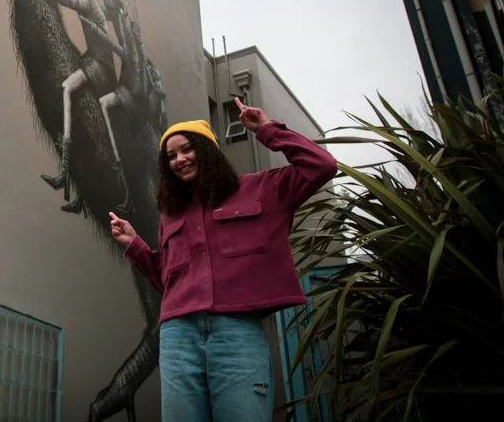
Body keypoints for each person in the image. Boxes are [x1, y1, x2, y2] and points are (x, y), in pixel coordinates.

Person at [109, 98, 338, 422]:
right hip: (177, 336)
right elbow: (169, 281)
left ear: (207, 150)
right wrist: (135, 246)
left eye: (186, 149)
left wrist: (267, 130)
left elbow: (322, 166)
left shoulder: (263, 189)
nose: (179, 159)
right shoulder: (170, 216)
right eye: (171, 156)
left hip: (238, 332)